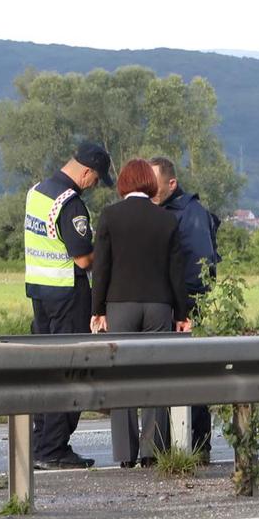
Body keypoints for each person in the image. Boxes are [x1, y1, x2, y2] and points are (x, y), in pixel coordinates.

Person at [90, 159, 192, 468]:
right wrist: (181, 313)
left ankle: (124, 454)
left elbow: (101, 268)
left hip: (120, 304)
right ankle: (151, 451)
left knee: (122, 377)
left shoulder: (109, 216)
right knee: (154, 376)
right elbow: (177, 271)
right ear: (149, 182)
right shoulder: (166, 220)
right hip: (159, 306)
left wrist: (97, 310)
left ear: (123, 184)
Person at [24, 141, 113, 469]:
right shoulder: (70, 203)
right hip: (67, 295)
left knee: (47, 371)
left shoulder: (37, 191)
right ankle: (53, 449)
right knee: (71, 370)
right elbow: (83, 256)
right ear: (87, 171)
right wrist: (107, 251)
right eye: (96, 179)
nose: (94, 186)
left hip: (39, 293)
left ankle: (39, 444)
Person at [149, 156, 221, 462]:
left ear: (172, 183)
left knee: (191, 375)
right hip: (178, 302)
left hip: (188, 304)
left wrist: (186, 308)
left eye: (154, 185)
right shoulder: (175, 209)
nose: (150, 192)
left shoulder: (188, 213)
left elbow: (199, 265)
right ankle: (185, 444)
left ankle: (198, 446)